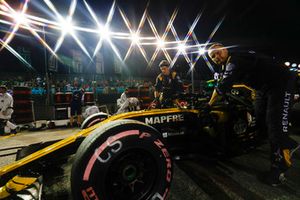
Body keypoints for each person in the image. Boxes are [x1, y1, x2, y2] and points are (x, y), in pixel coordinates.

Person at [207, 43, 300, 186]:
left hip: (281, 82)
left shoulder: (234, 59)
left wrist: (208, 105)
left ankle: (280, 168)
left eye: (218, 52)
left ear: (225, 49)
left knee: (274, 123)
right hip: (264, 87)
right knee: (259, 118)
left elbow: (223, 85)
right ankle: (288, 143)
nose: (216, 56)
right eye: (213, 56)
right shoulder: (230, 62)